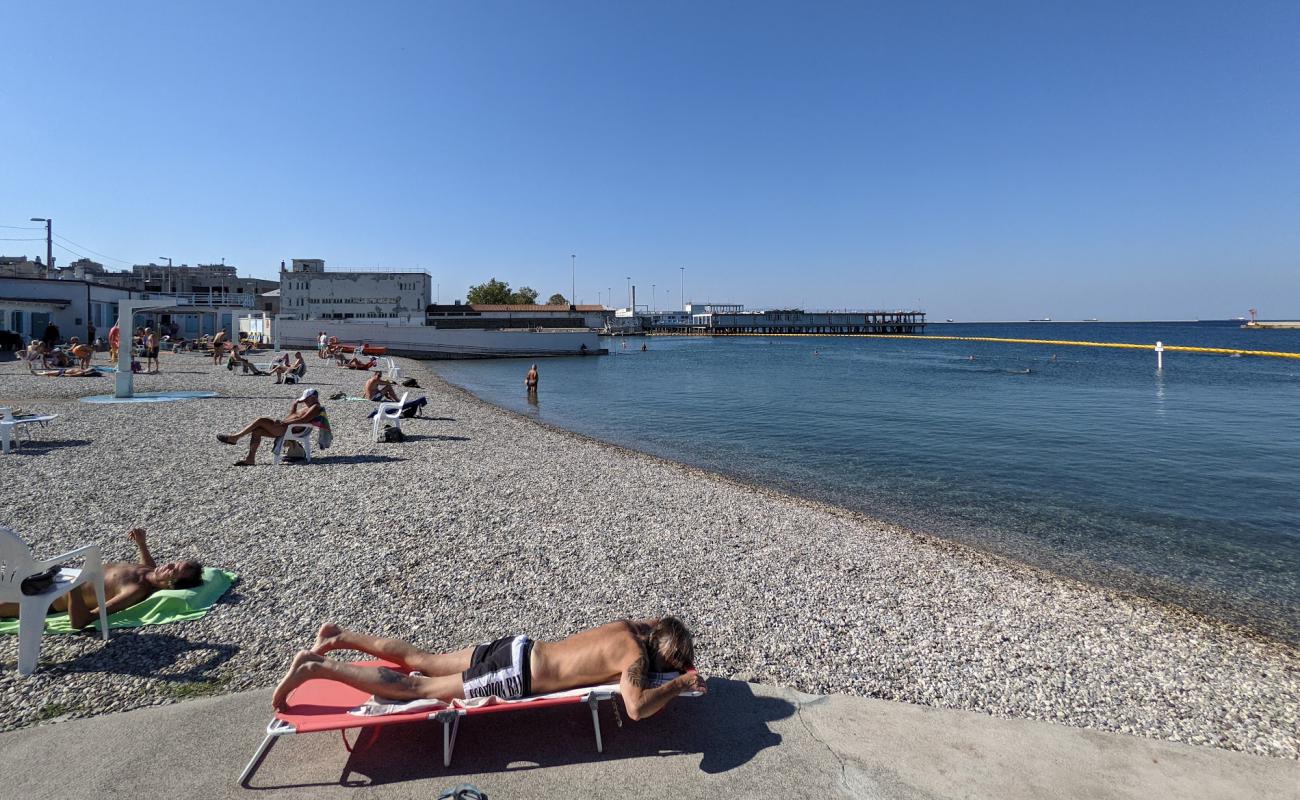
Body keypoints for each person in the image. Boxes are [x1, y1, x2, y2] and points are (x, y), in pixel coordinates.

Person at [272, 617, 705, 718]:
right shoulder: (633, 659)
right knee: (418, 687)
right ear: (657, 653)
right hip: (517, 674)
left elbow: (659, 624)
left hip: (519, 645)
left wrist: (677, 657)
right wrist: (680, 681)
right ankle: (317, 667)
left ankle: (340, 635)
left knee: (423, 658)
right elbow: (636, 707)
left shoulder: (632, 627)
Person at [0, 528, 202, 629]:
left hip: (46, 597)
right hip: (47, 576)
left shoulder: (134, 590)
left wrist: (74, 586)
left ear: (169, 585)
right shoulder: (148, 571)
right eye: (174, 563)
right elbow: (148, 567)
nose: (168, 566)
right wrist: (142, 543)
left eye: (172, 571)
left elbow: (81, 621)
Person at [216, 388, 324, 466]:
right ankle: (250, 459)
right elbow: (291, 416)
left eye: (306, 399)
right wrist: (295, 405)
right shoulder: (307, 407)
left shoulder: (315, 407)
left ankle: (235, 437)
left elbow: (303, 420)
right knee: (257, 431)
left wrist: (283, 423)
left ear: (313, 397)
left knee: (261, 420)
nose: (304, 401)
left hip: (290, 430)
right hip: (286, 428)